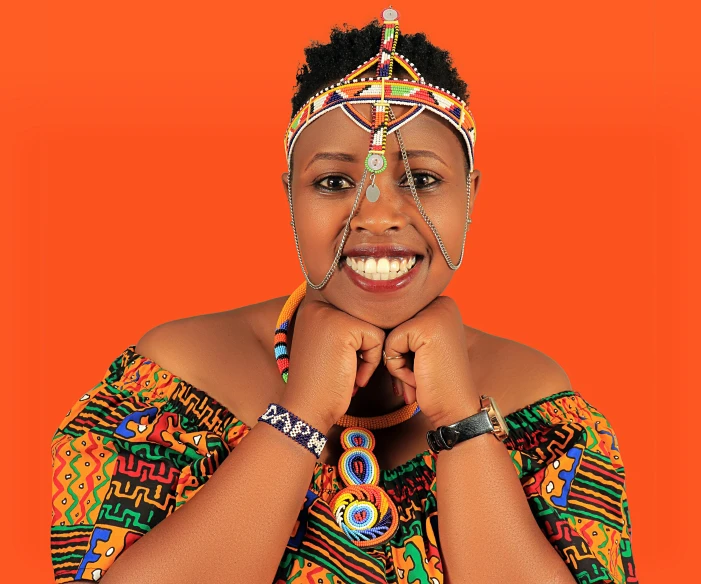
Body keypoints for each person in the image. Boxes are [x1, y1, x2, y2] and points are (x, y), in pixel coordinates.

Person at [50, 7, 637, 584]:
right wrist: (301, 417)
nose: (378, 216)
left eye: (422, 180)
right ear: (290, 197)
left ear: (470, 198)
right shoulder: (179, 377)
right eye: (334, 182)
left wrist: (461, 423)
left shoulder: (541, 408)